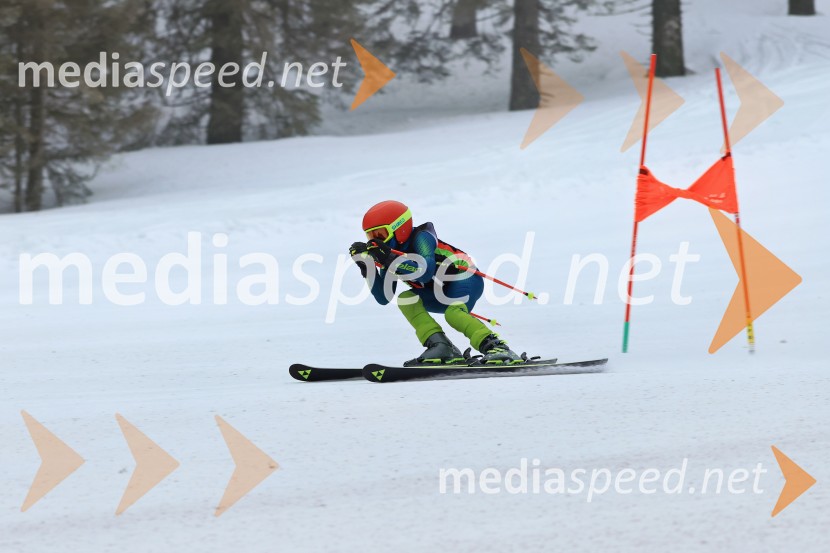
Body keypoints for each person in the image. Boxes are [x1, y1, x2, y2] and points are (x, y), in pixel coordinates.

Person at [349, 200, 522, 366]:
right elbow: (384, 297)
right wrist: (367, 266)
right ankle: (441, 346)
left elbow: (424, 273)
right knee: (406, 299)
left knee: (453, 313)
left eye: (381, 234)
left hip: (465, 278)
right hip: (438, 290)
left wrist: (388, 258)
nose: (376, 241)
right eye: (370, 236)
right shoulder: (389, 254)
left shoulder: (422, 238)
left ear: (400, 229)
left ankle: (496, 347)